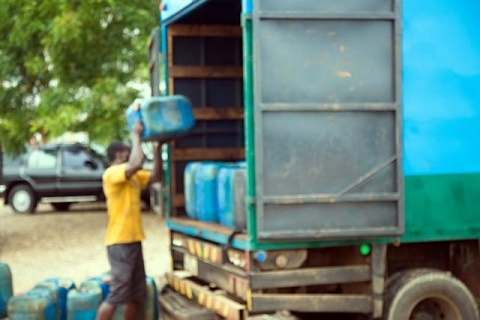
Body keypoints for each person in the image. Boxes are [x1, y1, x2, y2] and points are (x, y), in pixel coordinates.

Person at [96, 120, 166, 320]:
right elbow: (137, 162)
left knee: (134, 295)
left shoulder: (132, 176)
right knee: (117, 294)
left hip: (133, 240)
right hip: (120, 242)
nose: (132, 154)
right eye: (127, 152)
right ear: (118, 155)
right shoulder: (112, 174)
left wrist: (157, 148)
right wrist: (136, 135)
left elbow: (155, 177)